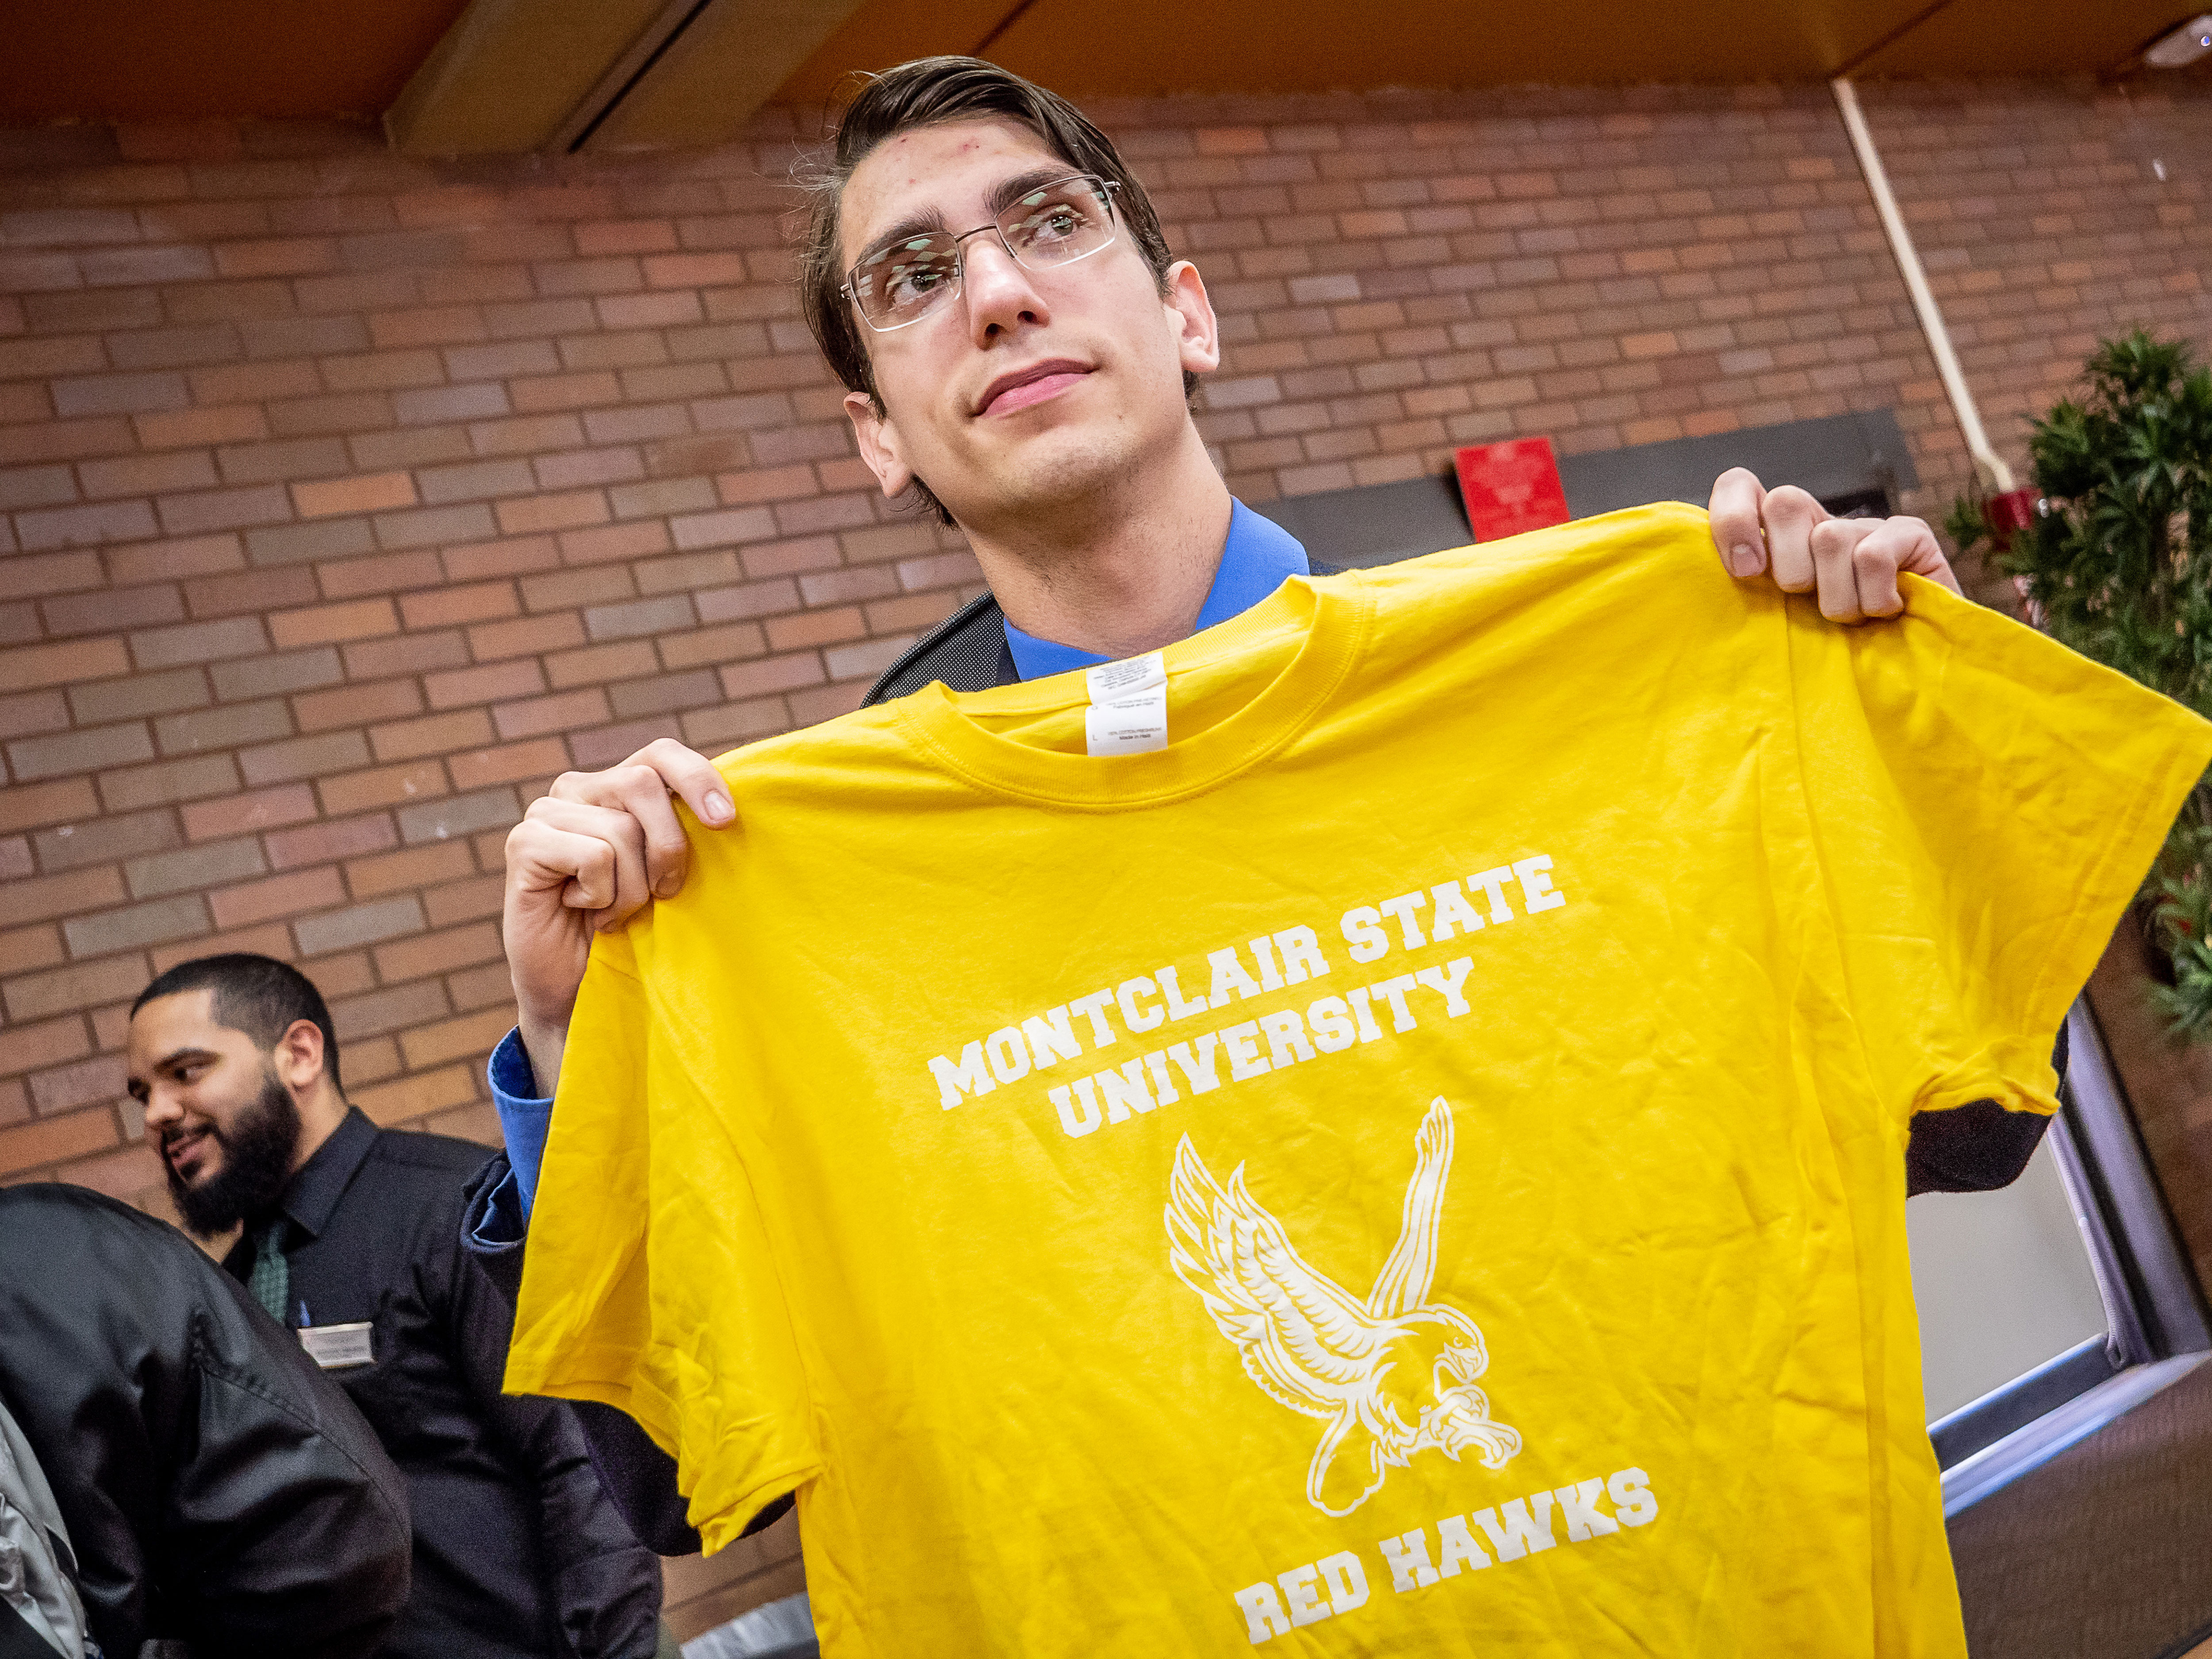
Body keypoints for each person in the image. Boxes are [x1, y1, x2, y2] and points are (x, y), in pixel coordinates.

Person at [466, 57, 2050, 1540]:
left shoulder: (1552, 686)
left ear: (1189, 316)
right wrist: (577, 1055)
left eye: (1046, 225)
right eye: (911, 276)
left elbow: (1966, 1131)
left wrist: (1883, 748)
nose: (999, 294)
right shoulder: (809, 889)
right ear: (876, 434)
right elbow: (681, 1485)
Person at [126, 953, 664, 1659]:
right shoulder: (228, 1288)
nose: (157, 1112)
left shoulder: (456, 1208)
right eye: (142, 1093)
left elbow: (582, 1460)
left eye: (186, 1071)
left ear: (299, 1053)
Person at [0, 1183, 412, 1659]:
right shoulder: (66, 1241)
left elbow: (337, 1540)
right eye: (144, 1102)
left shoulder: (429, 1205)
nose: (159, 1116)